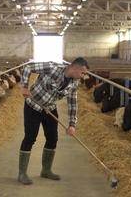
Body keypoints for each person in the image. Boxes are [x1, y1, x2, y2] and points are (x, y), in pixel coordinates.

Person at [18, 57, 89, 185]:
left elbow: (72, 103)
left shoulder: (74, 83)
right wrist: (24, 86)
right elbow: (28, 68)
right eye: (83, 73)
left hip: (49, 109)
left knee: (52, 139)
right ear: (76, 68)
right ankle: (22, 173)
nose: (83, 76)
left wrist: (72, 124)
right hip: (33, 106)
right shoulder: (52, 68)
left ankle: (46, 170)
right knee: (30, 138)